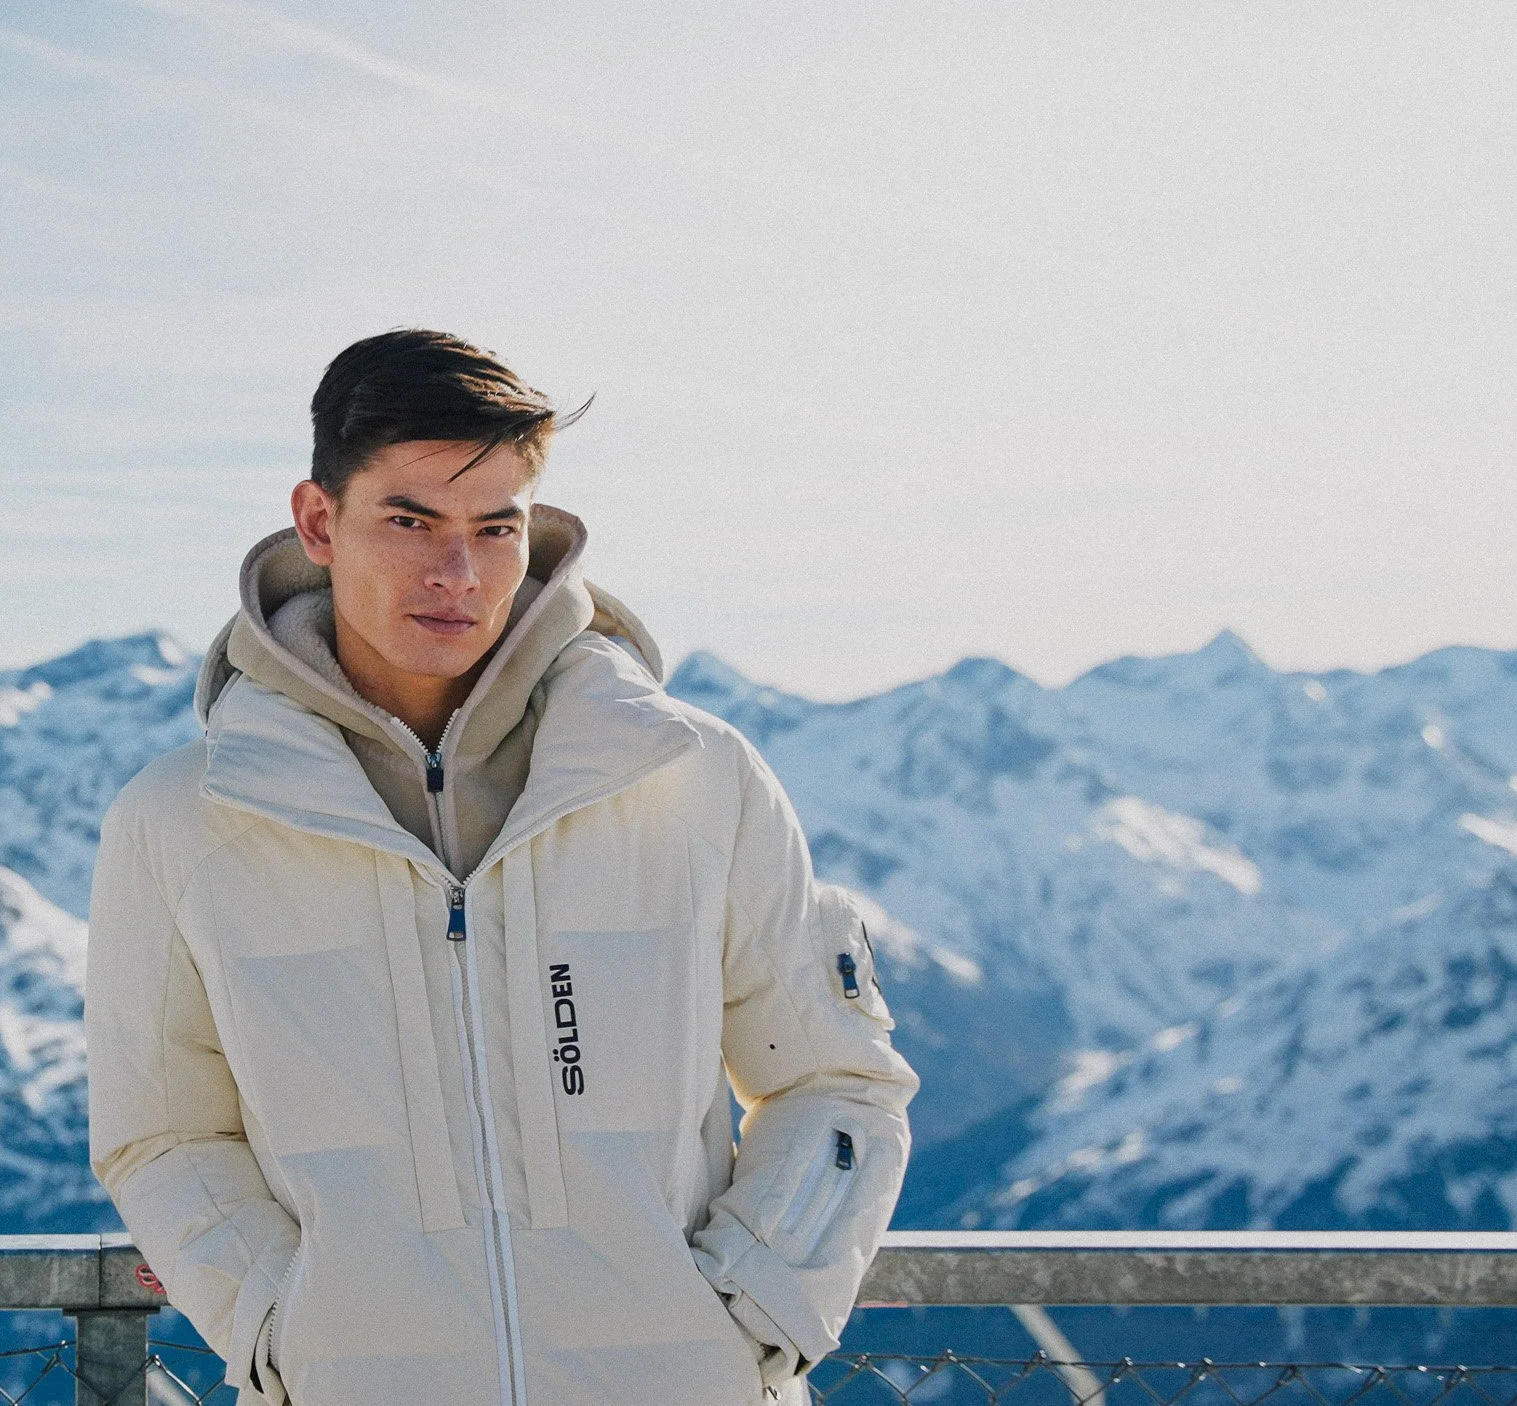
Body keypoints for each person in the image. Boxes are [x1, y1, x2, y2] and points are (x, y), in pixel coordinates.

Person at [85, 328, 918, 1406]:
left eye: (495, 527)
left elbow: (832, 1077)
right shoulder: (184, 819)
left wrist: (749, 1317)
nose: (457, 572)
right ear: (318, 520)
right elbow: (163, 1132)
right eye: (410, 520)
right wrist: (285, 1329)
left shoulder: (691, 777)